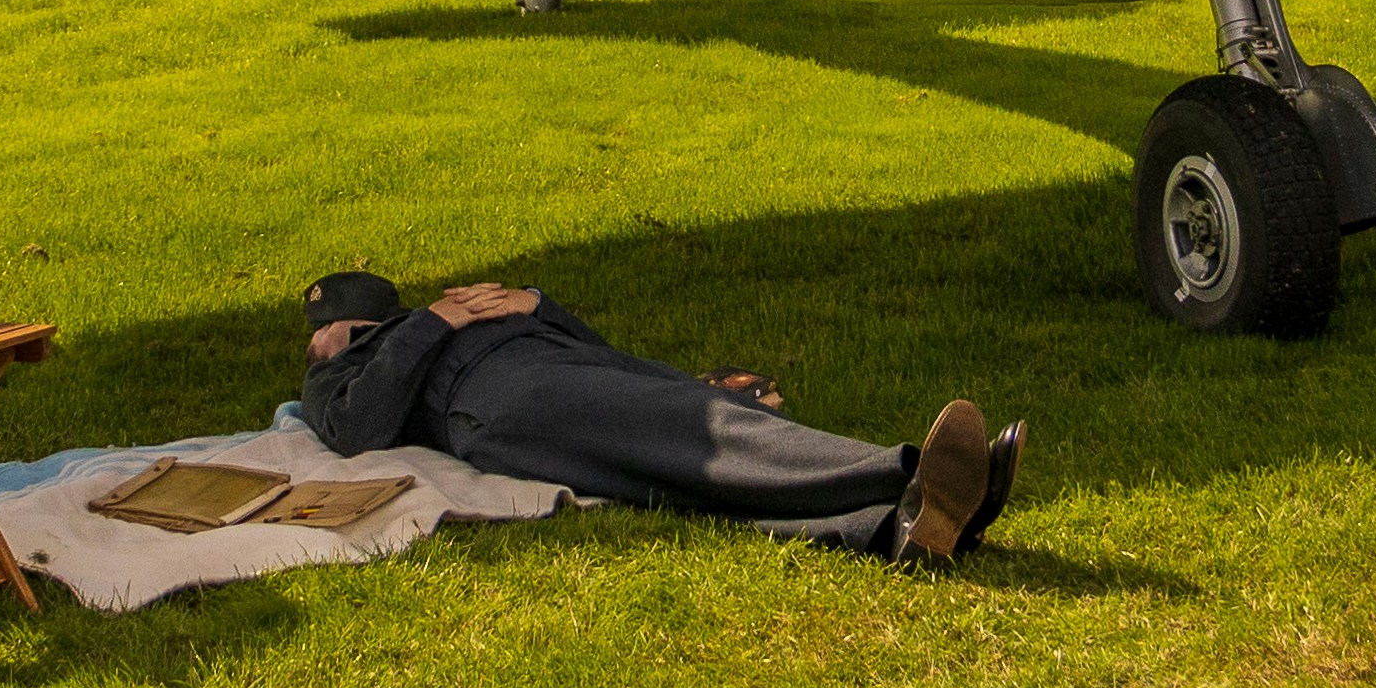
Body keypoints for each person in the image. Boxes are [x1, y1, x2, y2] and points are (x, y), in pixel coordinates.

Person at [297, 272, 1019, 562]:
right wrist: (432, 321)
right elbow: (359, 428)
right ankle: (906, 476)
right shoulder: (353, 363)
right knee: (699, 430)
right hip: (496, 397)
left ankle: (899, 531)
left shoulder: (428, 318)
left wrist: (534, 305)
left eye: (323, 331)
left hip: (555, 368)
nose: (315, 345)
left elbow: (598, 350)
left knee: (685, 450)